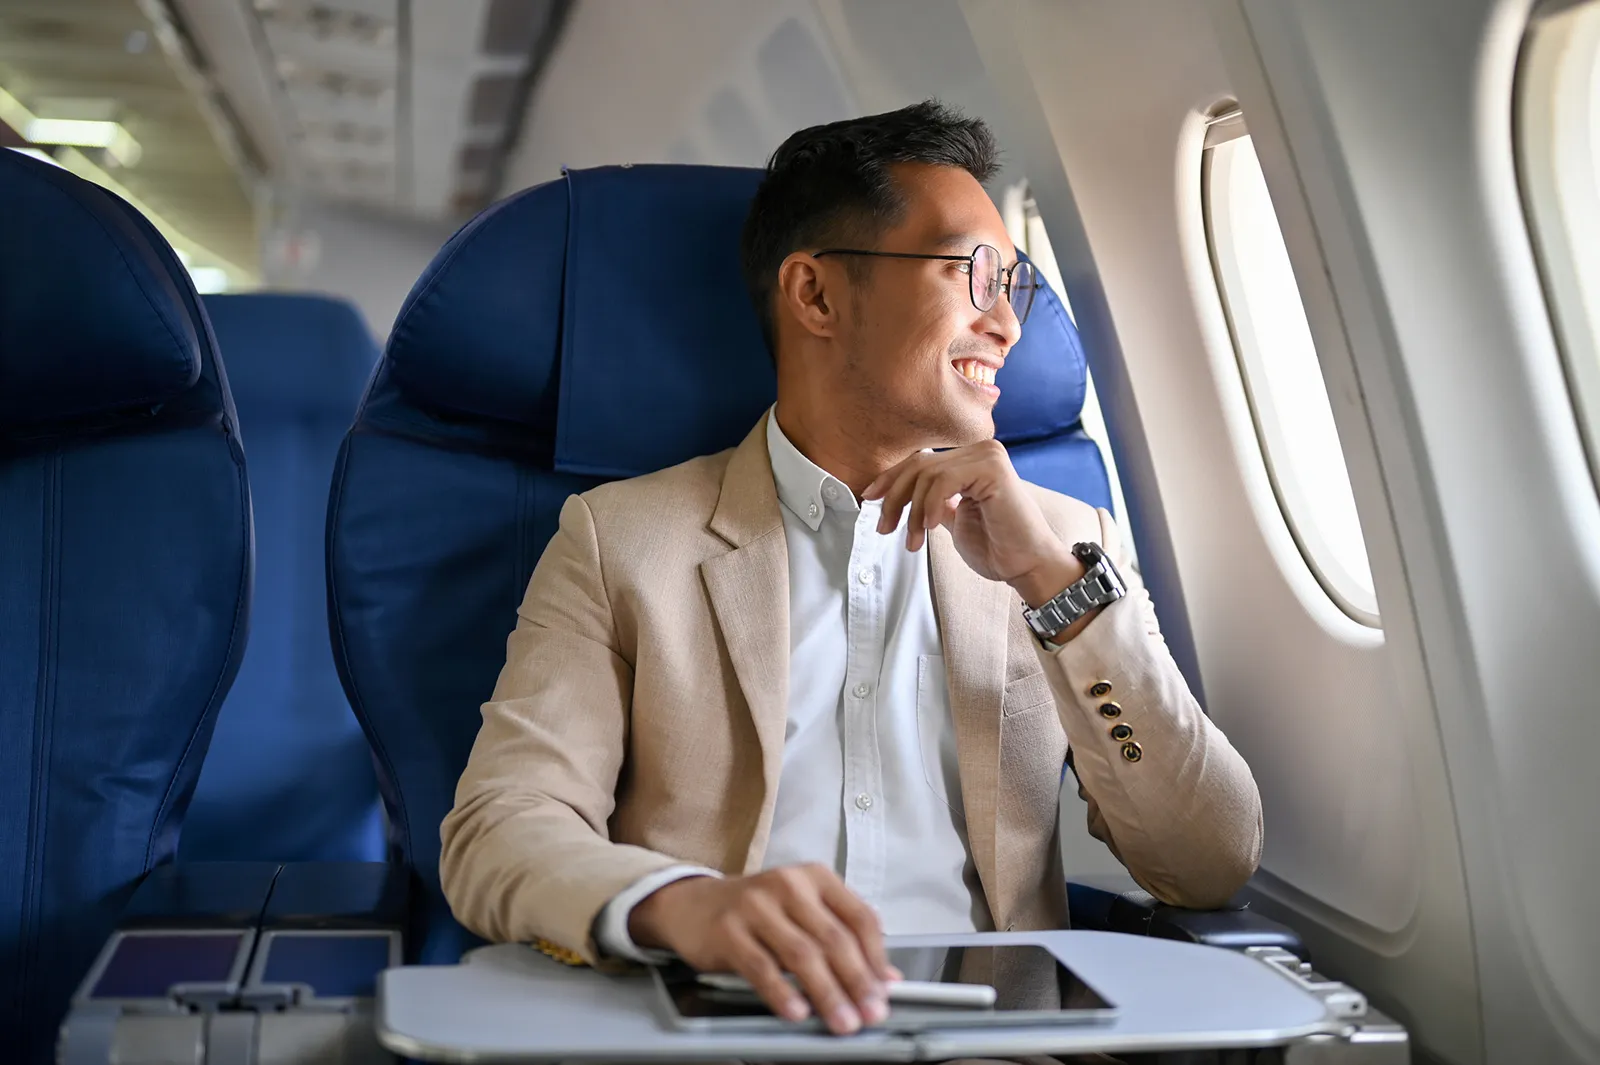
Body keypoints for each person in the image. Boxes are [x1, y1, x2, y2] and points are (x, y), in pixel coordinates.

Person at [440, 99, 1262, 1038]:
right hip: (719, 1039)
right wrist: (681, 904)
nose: (1007, 325)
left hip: (986, 1047)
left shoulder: (1072, 544)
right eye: (975, 274)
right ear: (816, 295)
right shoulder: (621, 539)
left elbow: (1210, 862)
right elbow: (499, 828)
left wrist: (1053, 587)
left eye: (1016, 287)